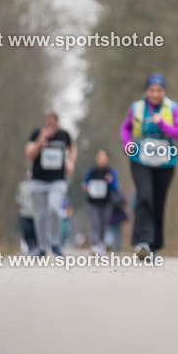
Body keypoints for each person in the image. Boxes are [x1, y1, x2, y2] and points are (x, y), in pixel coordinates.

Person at [120, 73, 178, 259]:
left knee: (158, 202)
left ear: (163, 91)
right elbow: (125, 128)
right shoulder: (137, 108)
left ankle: (154, 247)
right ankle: (142, 242)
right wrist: (127, 143)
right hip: (140, 159)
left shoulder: (172, 108)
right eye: (151, 90)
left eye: (158, 90)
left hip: (165, 162)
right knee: (144, 197)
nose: (155, 94)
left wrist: (163, 124)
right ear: (147, 90)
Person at [24, 110, 75, 257]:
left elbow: (73, 149)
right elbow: (29, 154)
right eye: (47, 119)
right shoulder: (36, 134)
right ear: (44, 120)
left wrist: (71, 162)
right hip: (38, 180)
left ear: (57, 121)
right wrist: (41, 140)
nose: (50, 122)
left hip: (57, 181)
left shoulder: (64, 135)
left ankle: (55, 243)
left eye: (52, 119)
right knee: (40, 216)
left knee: (53, 209)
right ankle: (41, 247)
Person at [81, 149, 119, 255]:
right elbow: (84, 184)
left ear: (107, 159)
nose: (102, 160)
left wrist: (110, 181)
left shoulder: (111, 172)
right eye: (100, 158)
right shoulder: (91, 171)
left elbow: (116, 187)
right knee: (95, 224)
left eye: (104, 158)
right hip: (92, 203)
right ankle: (95, 245)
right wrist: (87, 187)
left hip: (106, 203)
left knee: (103, 224)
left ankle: (101, 243)